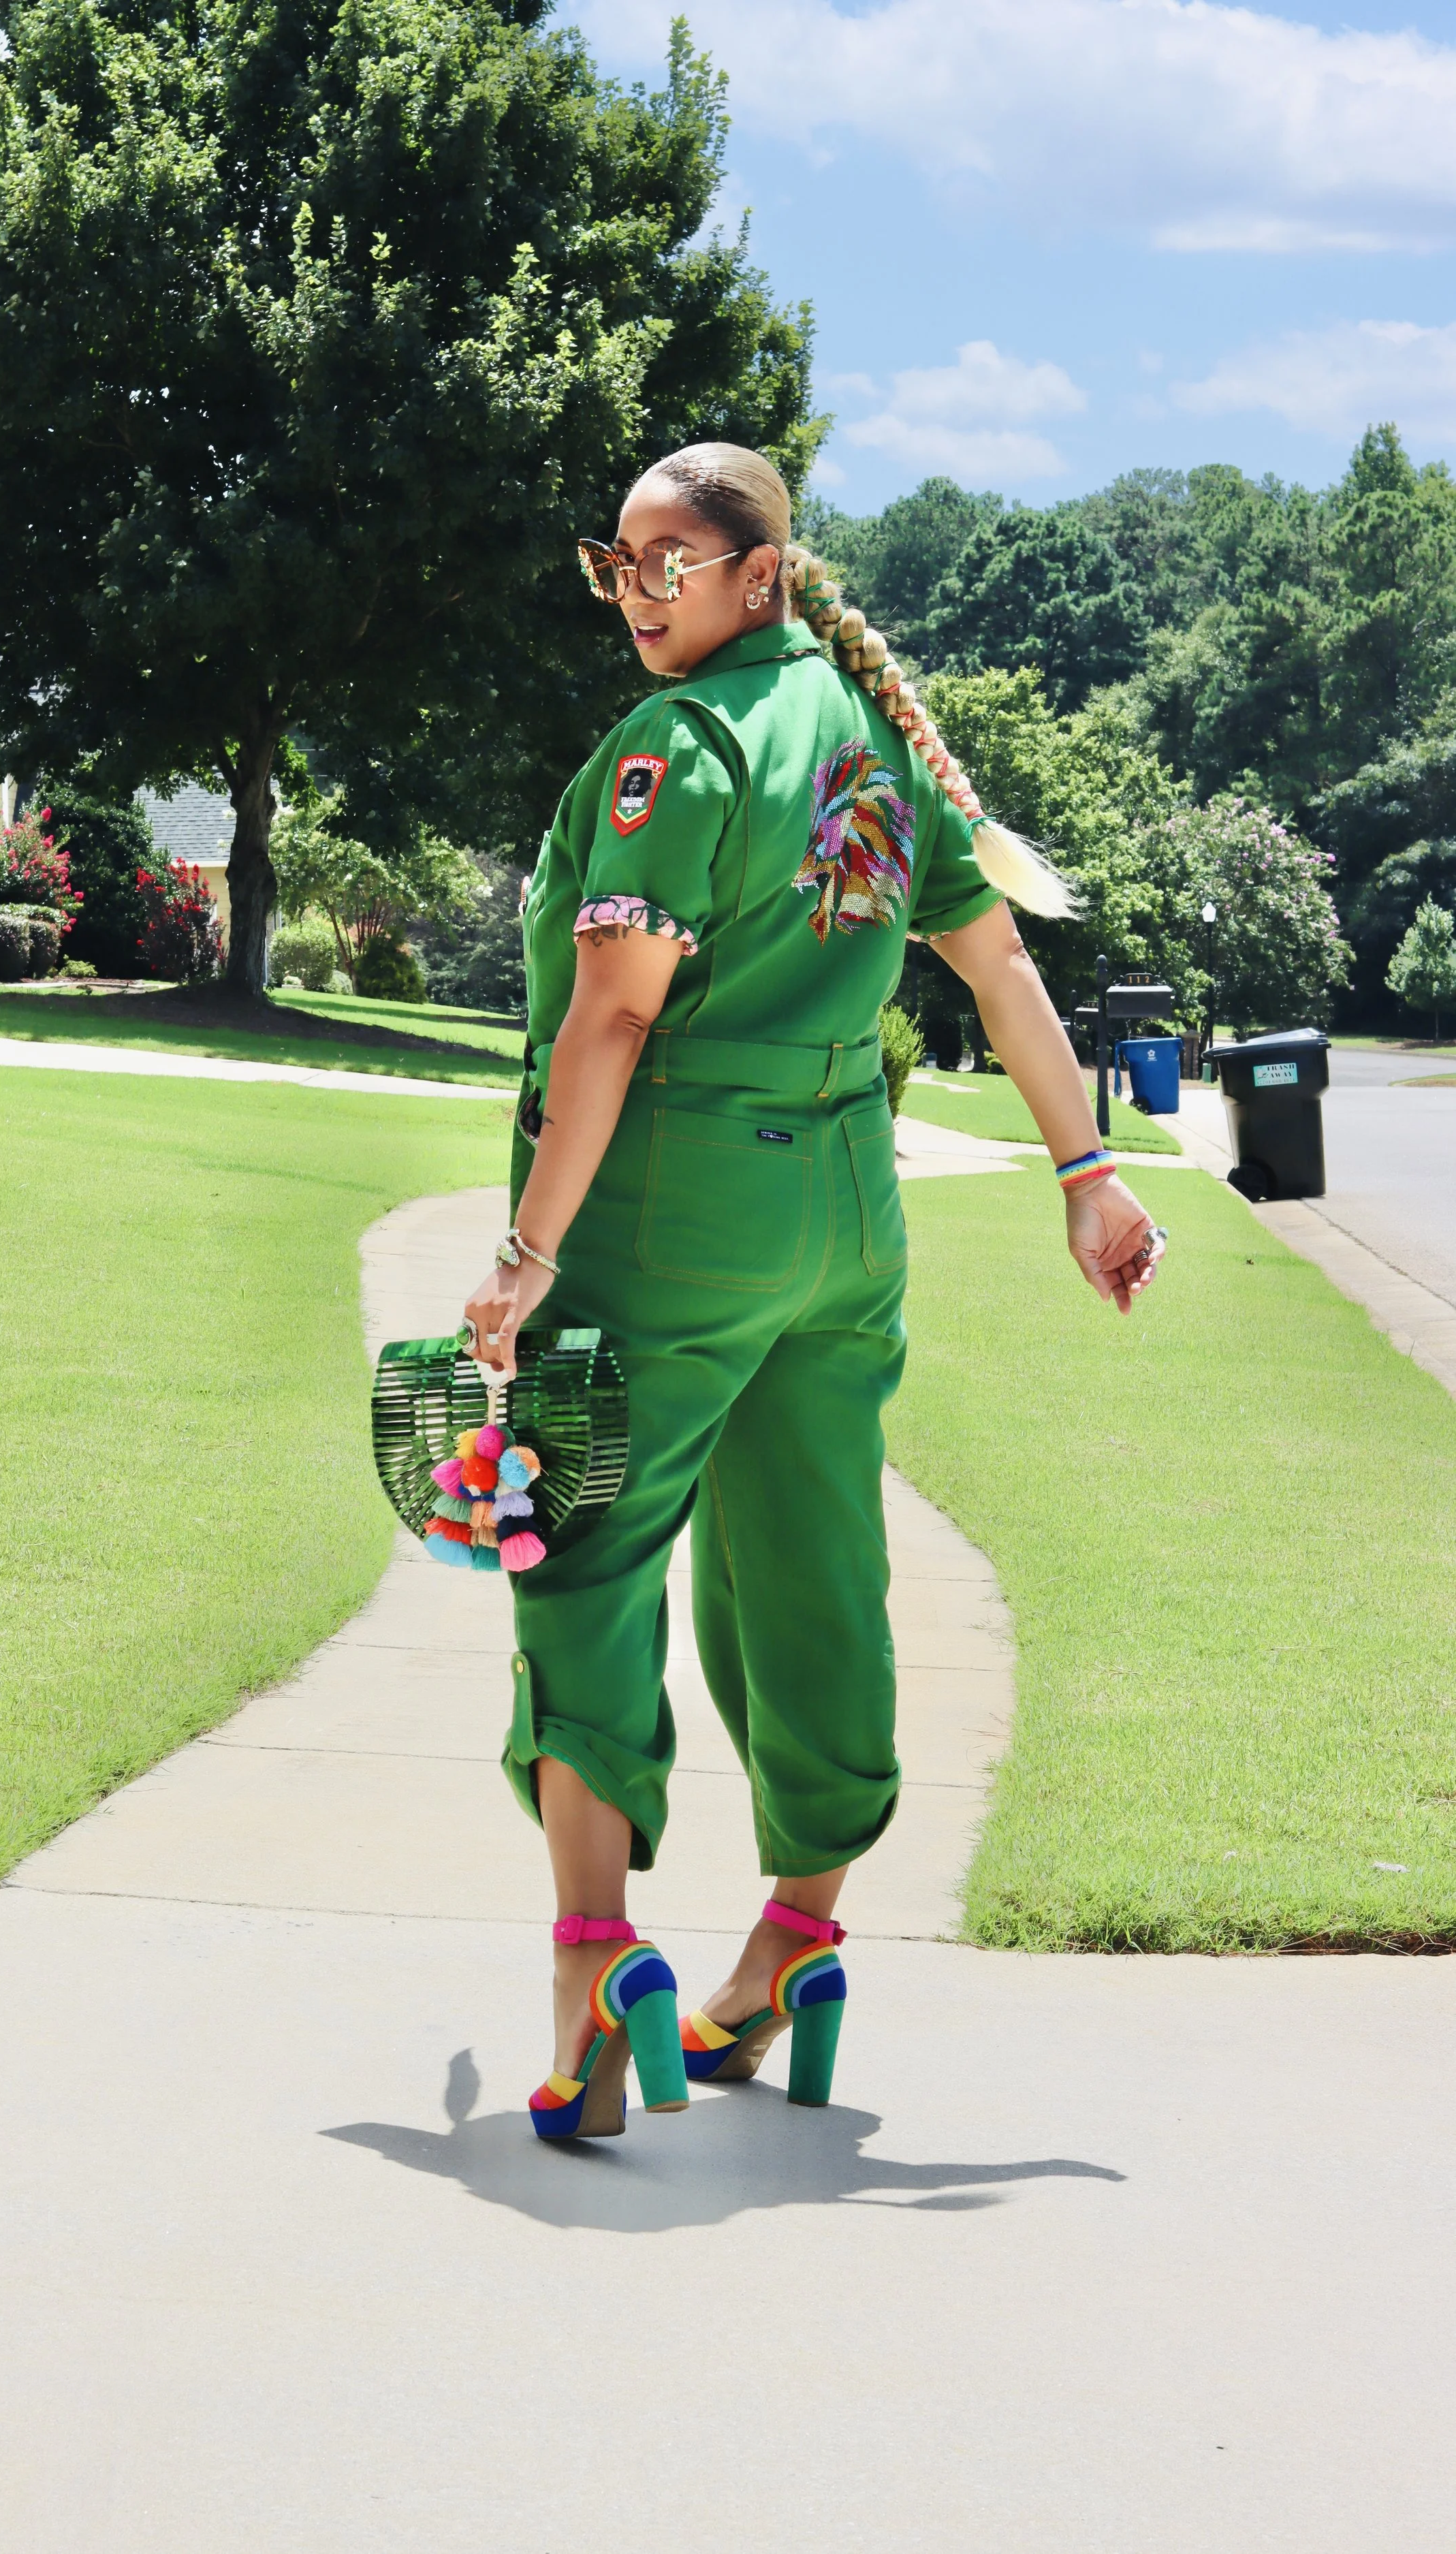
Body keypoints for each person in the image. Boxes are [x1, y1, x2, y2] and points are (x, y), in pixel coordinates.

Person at [462, 443, 1164, 2143]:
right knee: (808, 1560)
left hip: (668, 1218)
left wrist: (526, 1253)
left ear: (758, 573)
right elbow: (996, 968)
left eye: (669, 562)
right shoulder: (874, 752)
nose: (637, 594)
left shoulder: (671, 757)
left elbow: (610, 1020)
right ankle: (793, 1942)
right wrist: (1087, 1174)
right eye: (617, 564)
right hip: (844, 1210)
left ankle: (589, 1972)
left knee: (582, 1558)